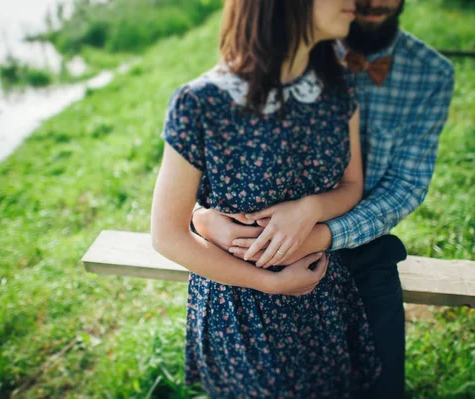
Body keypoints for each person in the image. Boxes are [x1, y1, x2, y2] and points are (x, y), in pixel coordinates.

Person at [192, 0, 455, 397]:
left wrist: (316, 231)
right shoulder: (302, 42)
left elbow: (406, 186)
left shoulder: (430, 74)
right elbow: (214, 156)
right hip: (261, 250)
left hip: (361, 246)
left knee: (380, 384)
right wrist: (203, 216)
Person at [151, 0, 385, 396]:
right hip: (244, 309)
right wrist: (269, 283)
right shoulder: (201, 103)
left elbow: (351, 186)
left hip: (323, 295)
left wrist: (309, 208)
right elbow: (167, 236)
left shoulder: (338, 85)